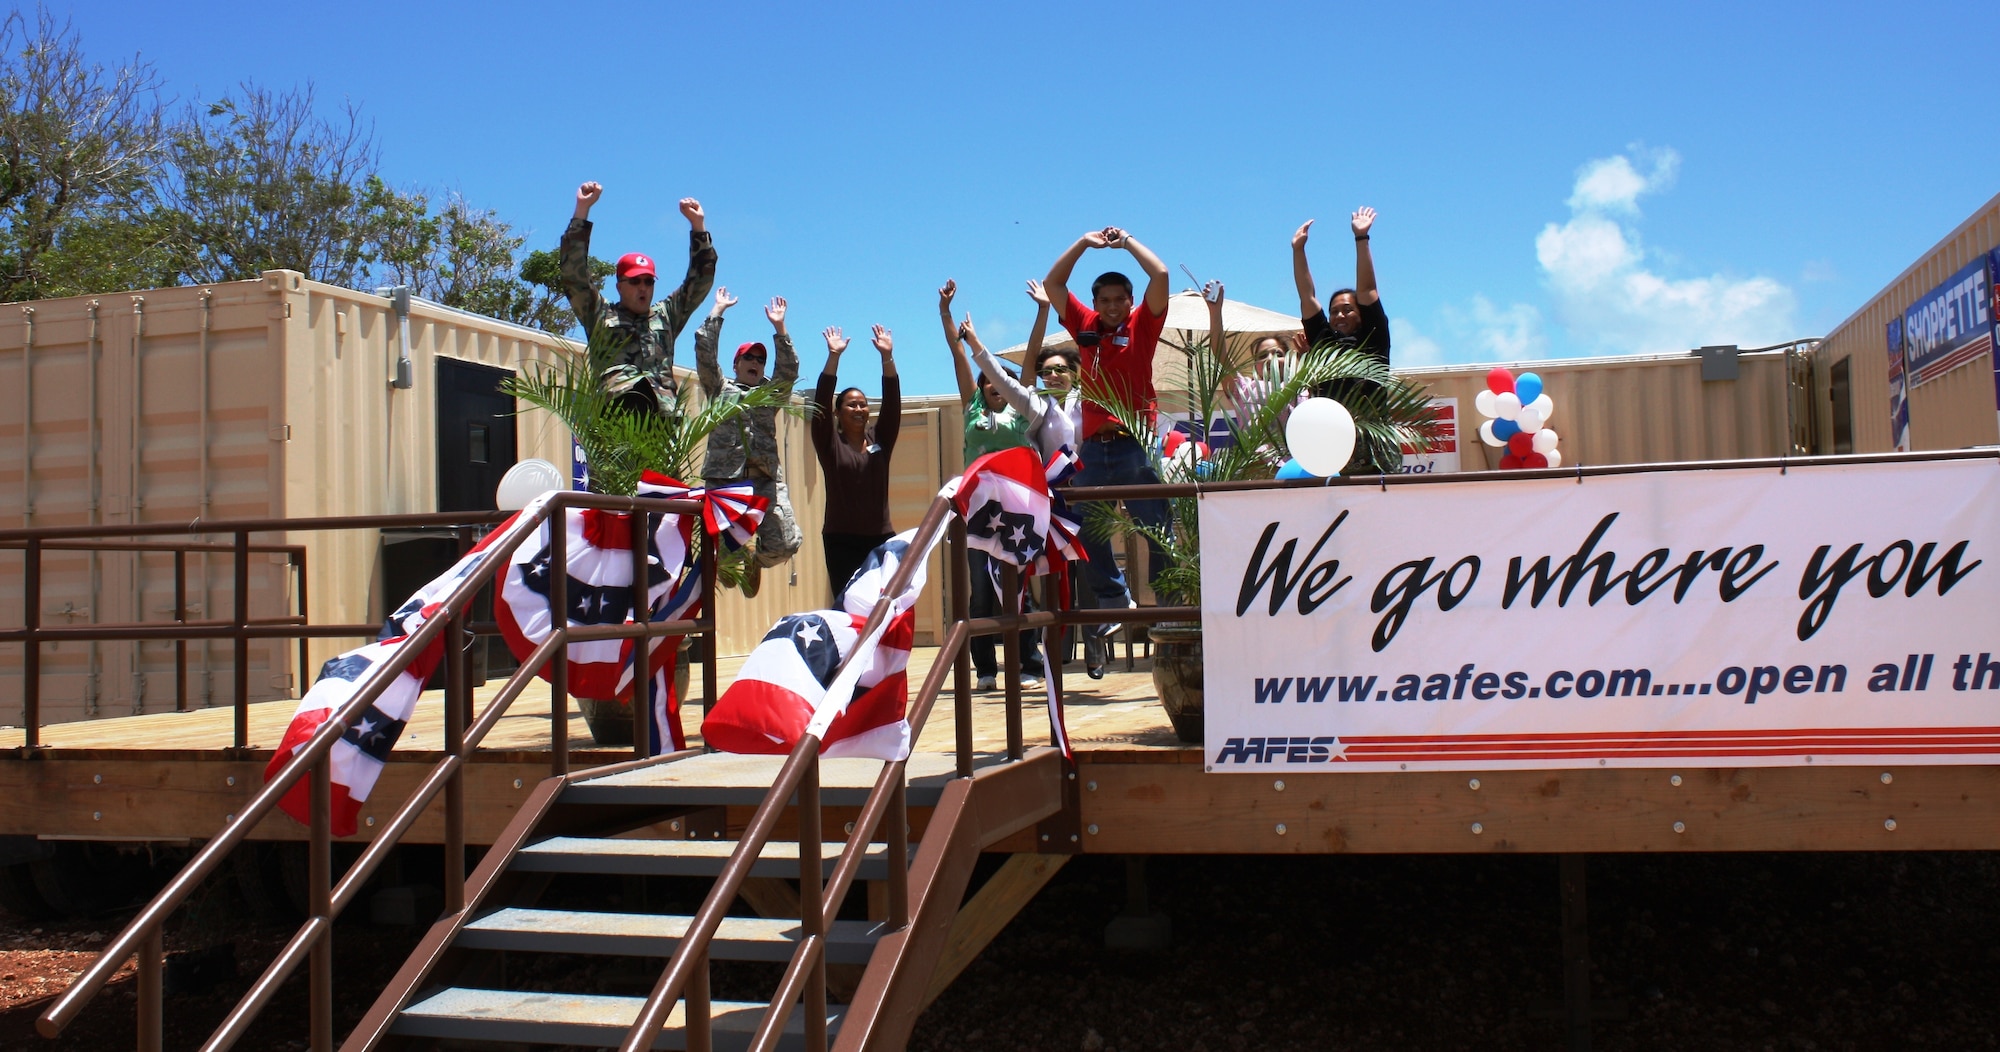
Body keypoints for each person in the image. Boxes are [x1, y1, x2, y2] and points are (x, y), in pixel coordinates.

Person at [1043, 227, 1172, 676]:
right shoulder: (1084, 325)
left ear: (1130, 302)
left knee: (1157, 529)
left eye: (1120, 299)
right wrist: (1081, 242)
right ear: (1095, 304)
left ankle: (1170, 607)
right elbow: (1053, 284)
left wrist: (1129, 242)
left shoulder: (1143, 323)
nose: (1113, 307)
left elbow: (1161, 272)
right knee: (1088, 530)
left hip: (1136, 442)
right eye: (1105, 301)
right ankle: (1114, 598)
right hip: (1095, 450)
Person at [941, 280, 1046, 692]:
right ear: (983, 388)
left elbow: (1033, 357)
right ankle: (985, 668)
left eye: (1001, 382)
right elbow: (957, 354)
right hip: (978, 511)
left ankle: (1030, 664)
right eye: (989, 382)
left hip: (1017, 510)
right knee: (981, 591)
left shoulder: (1023, 410)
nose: (994, 387)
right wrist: (946, 313)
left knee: (1018, 588)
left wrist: (1041, 311)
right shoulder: (972, 408)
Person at [560, 180, 717, 414]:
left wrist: (698, 225)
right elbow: (574, 275)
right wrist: (582, 210)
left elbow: (700, 280)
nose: (642, 288)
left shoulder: (666, 317)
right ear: (619, 286)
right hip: (615, 426)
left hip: (660, 428)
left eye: (648, 281)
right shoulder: (599, 314)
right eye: (634, 281)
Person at [693, 288, 803, 598]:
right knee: (723, 554)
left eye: (760, 359)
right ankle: (733, 557)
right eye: (749, 357)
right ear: (737, 364)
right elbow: (704, 353)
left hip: (764, 480)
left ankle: (755, 560)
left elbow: (789, 370)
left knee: (785, 544)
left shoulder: (770, 395)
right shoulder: (720, 389)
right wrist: (717, 311)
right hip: (725, 481)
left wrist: (780, 329)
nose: (756, 361)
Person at [1291, 206, 1398, 472]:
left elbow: (1367, 289)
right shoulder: (1324, 342)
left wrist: (1361, 238)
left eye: (1347, 309)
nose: (1339, 314)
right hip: (1332, 446)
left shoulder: (1374, 338)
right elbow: (1307, 296)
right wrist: (1298, 251)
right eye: (1334, 311)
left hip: (1374, 444)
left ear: (1361, 314)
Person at [812, 322, 901, 603]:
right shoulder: (830, 445)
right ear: (838, 413)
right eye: (851, 404)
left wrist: (887, 358)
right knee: (849, 605)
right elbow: (821, 403)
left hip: (881, 538)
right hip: (841, 540)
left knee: (882, 605)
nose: (859, 409)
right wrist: (833, 358)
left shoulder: (881, 440)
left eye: (863, 404)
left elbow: (893, 405)